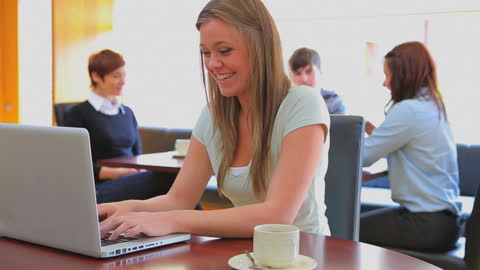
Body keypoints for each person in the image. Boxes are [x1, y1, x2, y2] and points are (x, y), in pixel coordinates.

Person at [98, 0, 331, 240]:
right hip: (245, 254)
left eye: (225, 51)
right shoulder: (213, 116)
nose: (212, 64)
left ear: (260, 46)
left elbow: (277, 216)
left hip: (306, 254)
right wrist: (126, 208)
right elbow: (179, 199)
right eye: (205, 52)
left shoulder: (303, 103)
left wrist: (170, 220)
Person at [360, 41, 462, 251]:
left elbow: (363, 156)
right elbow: (413, 153)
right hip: (445, 223)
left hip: (425, 225)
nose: (385, 83)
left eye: (388, 75)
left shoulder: (409, 110)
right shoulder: (432, 105)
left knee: (343, 230)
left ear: (404, 75)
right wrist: (373, 132)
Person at [64, 49, 175, 204]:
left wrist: (133, 172)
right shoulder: (78, 113)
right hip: (99, 188)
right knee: (169, 179)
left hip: (129, 180)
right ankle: (203, 226)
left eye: (124, 75)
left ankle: (199, 225)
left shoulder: (127, 113)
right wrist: (116, 173)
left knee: (176, 182)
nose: (123, 81)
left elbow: (137, 154)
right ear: (96, 76)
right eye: (116, 76)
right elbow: (73, 164)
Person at [288, 47, 346, 114]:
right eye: (298, 73)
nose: (304, 78)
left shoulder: (334, 102)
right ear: (291, 77)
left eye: (309, 71)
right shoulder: (286, 105)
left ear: (320, 72)